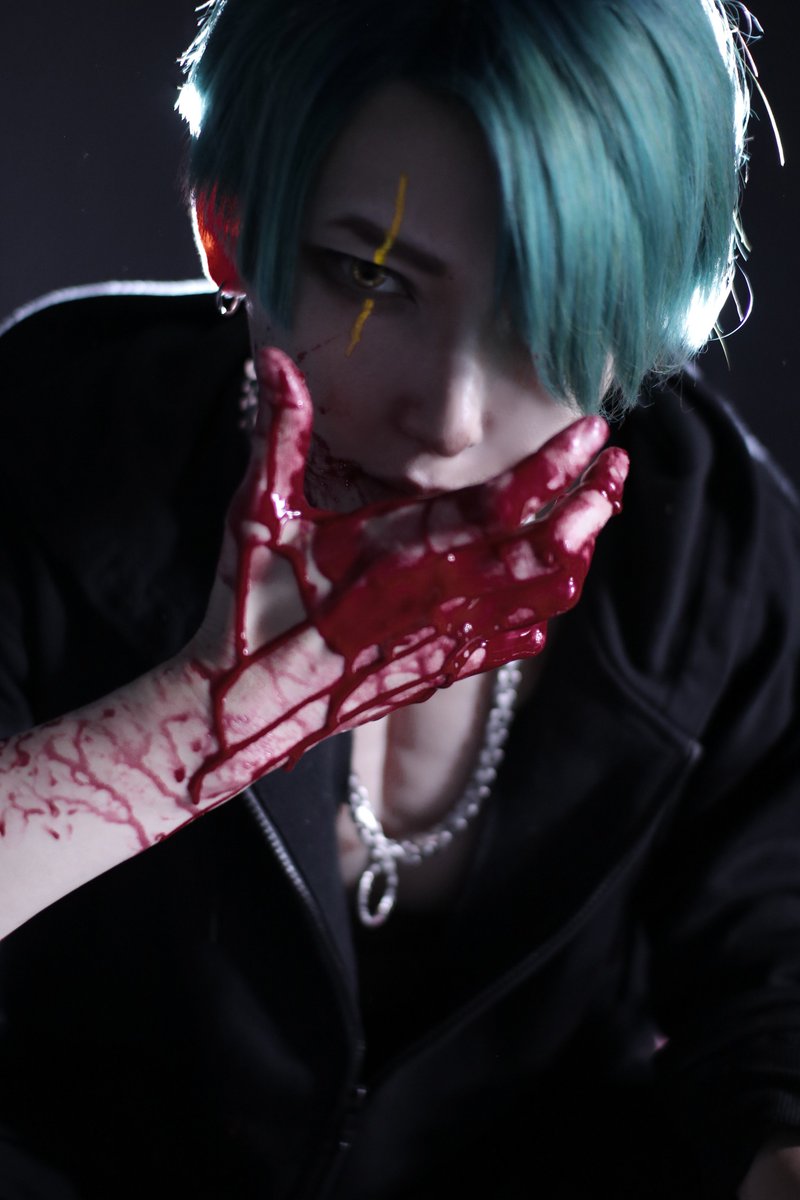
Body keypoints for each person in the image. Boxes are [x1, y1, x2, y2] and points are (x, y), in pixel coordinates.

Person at [0, 0, 798, 1196]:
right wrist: (184, 735)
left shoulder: (715, 547)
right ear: (227, 225)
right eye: (371, 276)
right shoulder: (49, 433)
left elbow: (769, 993)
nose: (450, 419)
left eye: (547, 309)